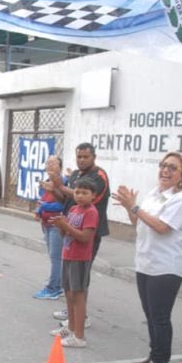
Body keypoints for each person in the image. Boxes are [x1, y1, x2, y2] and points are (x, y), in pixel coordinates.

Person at [112, 152, 182, 363]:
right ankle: (154, 355)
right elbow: (137, 222)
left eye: (172, 167)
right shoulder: (154, 194)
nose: (165, 170)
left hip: (167, 266)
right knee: (150, 315)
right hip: (146, 262)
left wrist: (135, 207)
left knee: (160, 317)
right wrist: (130, 208)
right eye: (163, 166)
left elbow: (161, 227)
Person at [48, 142, 110, 324]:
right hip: (70, 229)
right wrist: (55, 189)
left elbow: (81, 197)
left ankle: (81, 317)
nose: (81, 160)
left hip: (88, 232)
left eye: (85, 157)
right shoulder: (76, 174)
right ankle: (72, 312)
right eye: (79, 156)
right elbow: (67, 198)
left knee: (81, 276)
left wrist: (61, 184)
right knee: (69, 276)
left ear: (94, 157)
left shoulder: (99, 176)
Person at [48, 178, 98, 348]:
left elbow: (85, 237)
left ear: (93, 196)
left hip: (79, 258)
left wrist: (66, 226)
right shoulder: (73, 209)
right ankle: (70, 328)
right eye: (77, 192)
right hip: (68, 255)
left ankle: (79, 336)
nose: (80, 196)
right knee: (68, 294)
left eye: (85, 193)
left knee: (78, 295)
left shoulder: (91, 212)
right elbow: (65, 235)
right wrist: (61, 225)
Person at [33, 156, 67, 300]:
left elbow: (63, 204)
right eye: (47, 163)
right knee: (53, 256)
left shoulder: (64, 182)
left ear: (60, 166)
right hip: (46, 224)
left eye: (53, 163)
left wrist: (44, 207)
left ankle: (54, 288)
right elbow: (41, 200)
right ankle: (57, 282)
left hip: (56, 224)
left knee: (56, 258)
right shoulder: (46, 182)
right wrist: (38, 210)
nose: (49, 165)